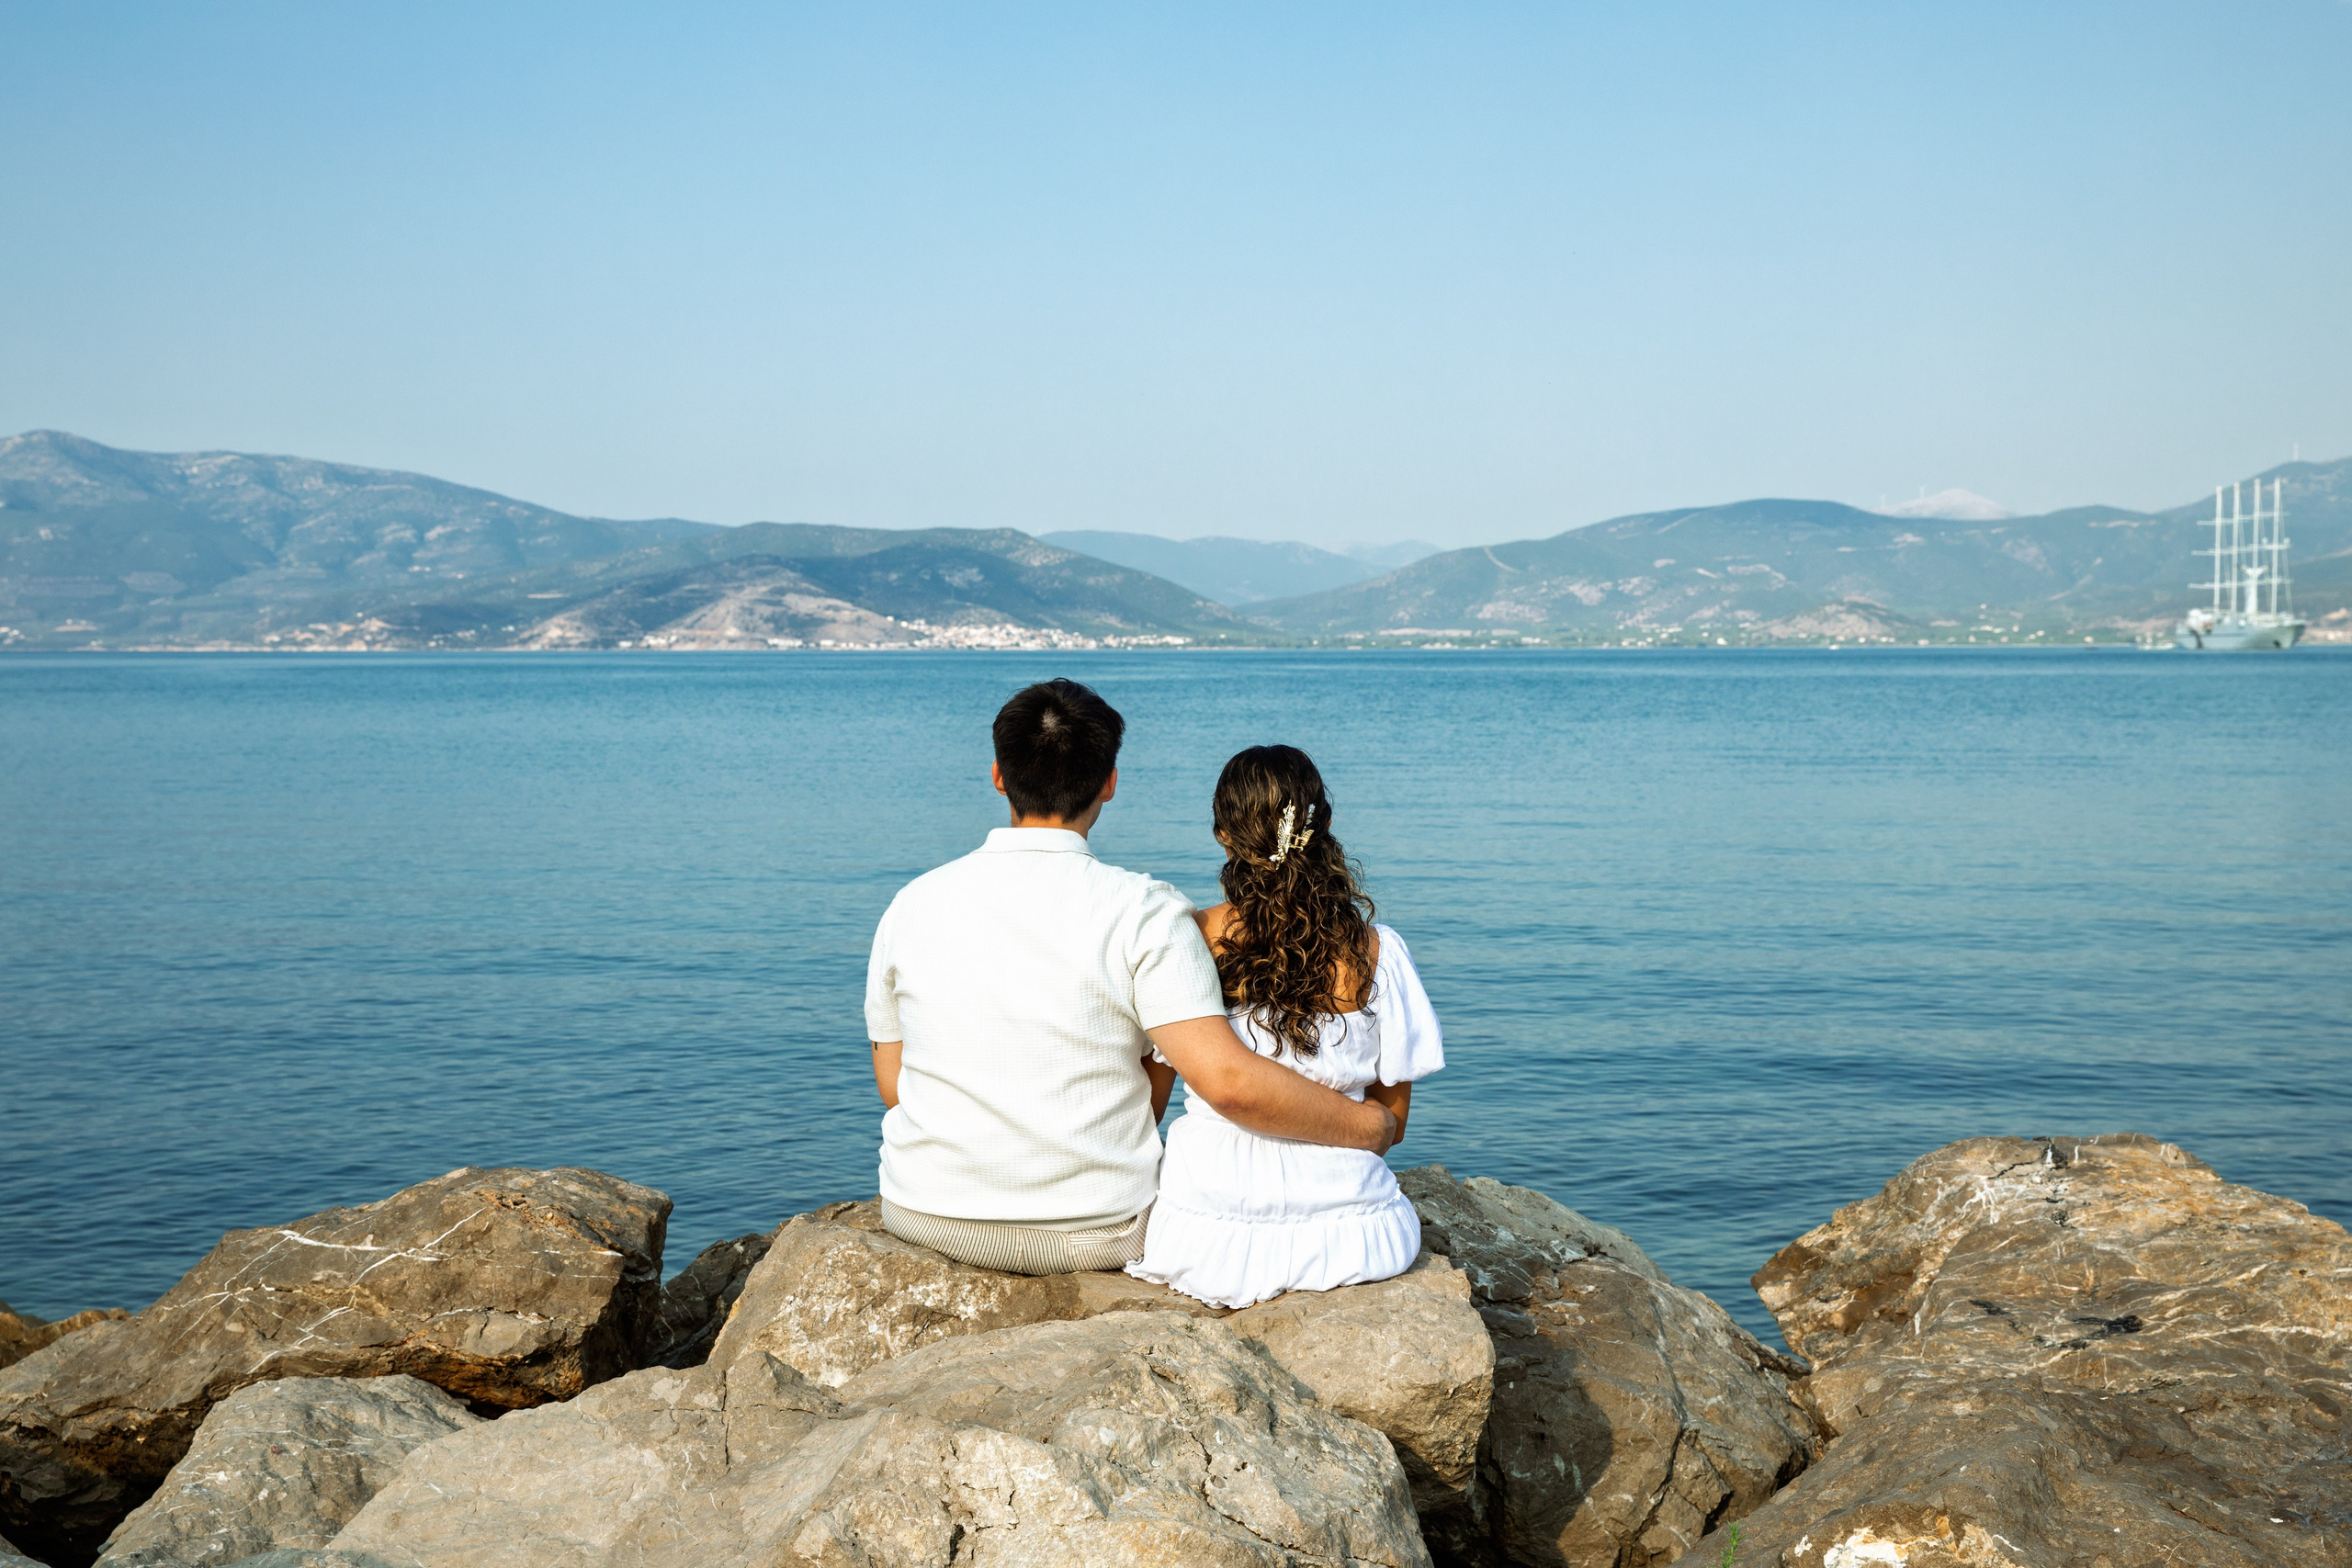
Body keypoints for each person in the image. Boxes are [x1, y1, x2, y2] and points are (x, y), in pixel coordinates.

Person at [864, 680, 1397, 1275]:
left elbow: (895, 1085)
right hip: (1093, 1231)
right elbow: (1224, 1082)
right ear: (1109, 782)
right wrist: (1368, 1123)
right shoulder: (1146, 913)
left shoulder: (911, 904)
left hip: (920, 1210)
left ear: (997, 775)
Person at [1125, 744, 1443, 1308]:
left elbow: (1150, 1103)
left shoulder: (1192, 939)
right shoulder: (1377, 952)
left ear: (1224, 835)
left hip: (1205, 1240)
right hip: (1358, 1236)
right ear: (1322, 827)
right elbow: (1392, 1122)